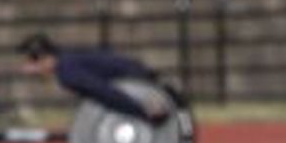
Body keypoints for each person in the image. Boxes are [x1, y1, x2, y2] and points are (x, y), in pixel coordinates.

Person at [17, 32, 173, 120]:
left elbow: (103, 91)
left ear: (43, 59)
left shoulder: (67, 73)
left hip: (137, 81)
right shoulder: (68, 58)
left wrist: (141, 110)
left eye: (32, 65)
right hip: (136, 71)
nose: (29, 71)